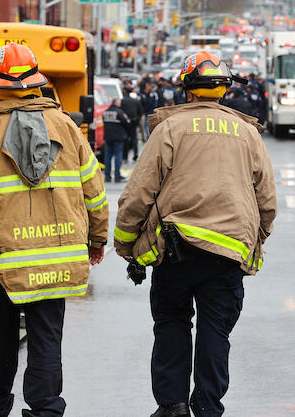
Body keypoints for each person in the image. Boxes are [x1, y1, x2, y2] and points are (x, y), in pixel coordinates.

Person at [0, 43, 109, 417]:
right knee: (47, 339)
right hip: (57, 258)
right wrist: (97, 239)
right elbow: (94, 192)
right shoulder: (66, 126)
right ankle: (46, 409)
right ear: (36, 83)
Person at [113, 50, 276, 417]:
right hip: (229, 254)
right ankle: (207, 406)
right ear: (225, 91)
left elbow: (140, 192)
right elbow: (266, 198)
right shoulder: (248, 133)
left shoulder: (170, 129)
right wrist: (258, 237)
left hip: (176, 251)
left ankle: (171, 405)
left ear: (187, 90)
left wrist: (125, 241)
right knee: (215, 332)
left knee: (172, 323)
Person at [102, 97, 131, 182]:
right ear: (117, 103)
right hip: (118, 137)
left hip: (108, 137)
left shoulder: (106, 112)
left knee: (108, 156)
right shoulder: (119, 112)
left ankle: (107, 176)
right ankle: (117, 175)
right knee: (118, 155)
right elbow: (126, 123)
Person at [121, 86, 144, 162]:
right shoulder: (135, 101)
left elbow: (120, 112)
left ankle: (125, 156)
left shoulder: (122, 101)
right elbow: (141, 112)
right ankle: (135, 155)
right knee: (134, 139)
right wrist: (136, 119)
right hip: (134, 122)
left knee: (126, 139)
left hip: (125, 123)